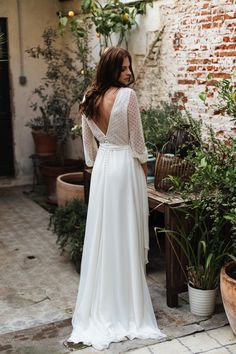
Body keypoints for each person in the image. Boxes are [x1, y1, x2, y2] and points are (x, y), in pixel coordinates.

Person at [67, 47, 165, 351]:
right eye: (123, 68)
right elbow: (138, 145)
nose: (128, 73)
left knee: (105, 237)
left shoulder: (87, 101)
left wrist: (102, 161)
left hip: (104, 171)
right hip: (125, 168)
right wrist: (144, 167)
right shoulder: (128, 97)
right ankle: (129, 306)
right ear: (111, 69)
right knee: (128, 235)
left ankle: (106, 303)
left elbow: (88, 152)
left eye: (128, 68)